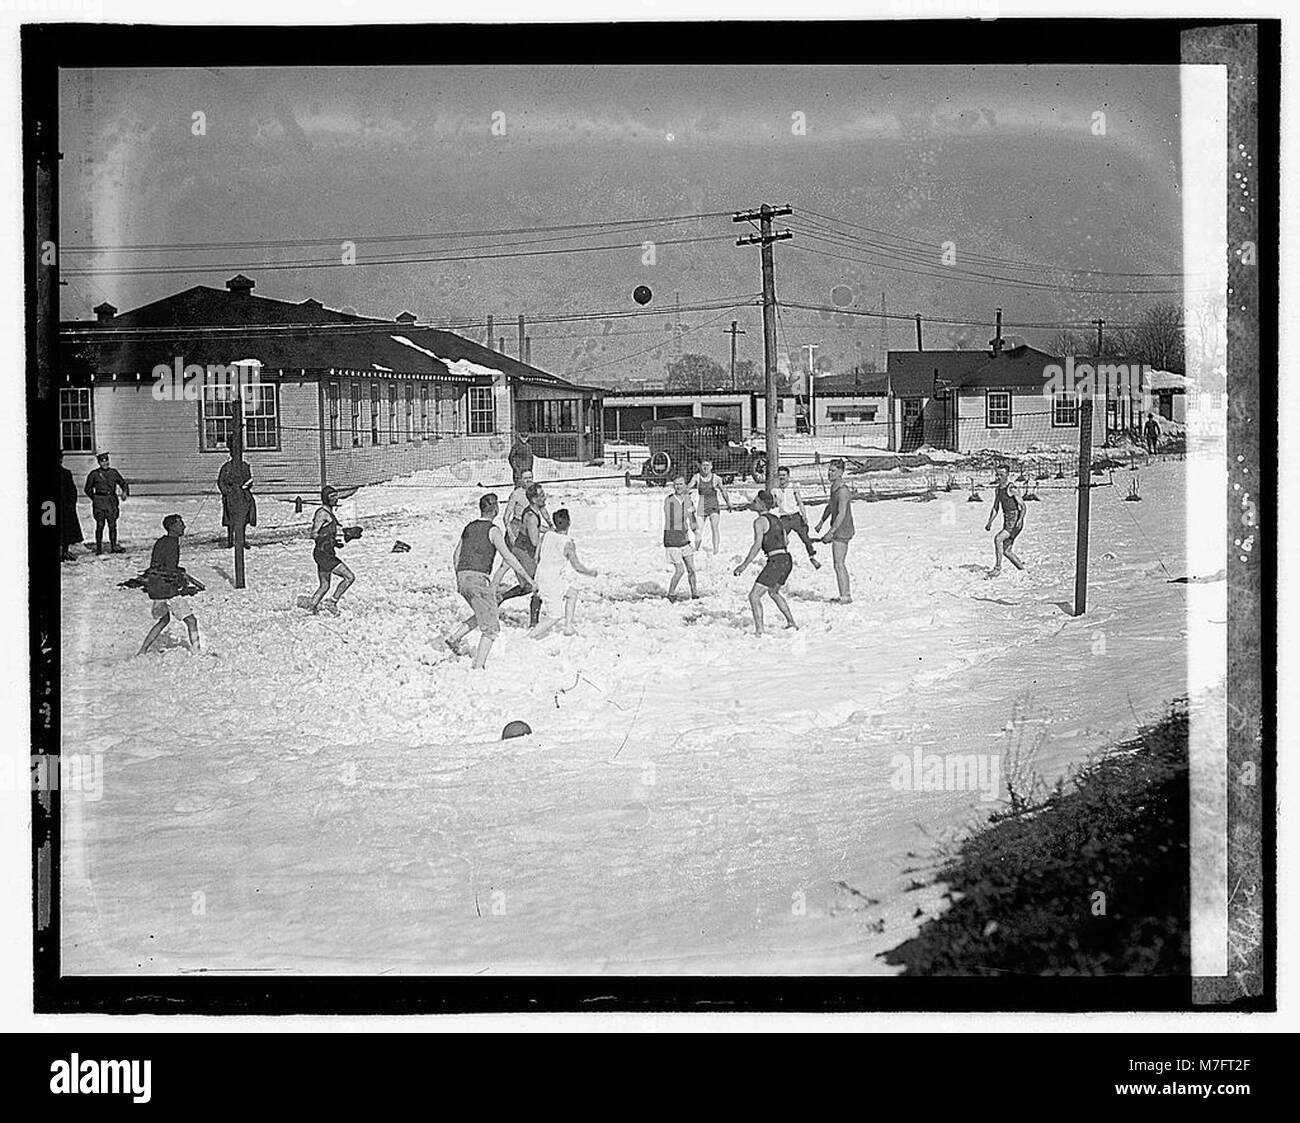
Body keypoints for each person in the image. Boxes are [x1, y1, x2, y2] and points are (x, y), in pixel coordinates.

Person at [444, 493, 534, 669]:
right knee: (491, 629)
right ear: (496, 510)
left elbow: (456, 555)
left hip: (463, 578)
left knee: (484, 612)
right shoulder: (493, 530)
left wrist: (459, 578)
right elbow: (508, 557)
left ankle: (454, 638)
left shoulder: (469, 527)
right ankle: (478, 666)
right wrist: (527, 577)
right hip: (479, 579)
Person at [137, 514, 204, 655]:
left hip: (155, 586)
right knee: (191, 621)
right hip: (167, 589)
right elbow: (170, 570)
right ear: (172, 527)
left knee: (163, 620)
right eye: (180, 524)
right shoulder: (173, 544)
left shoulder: (161, 541)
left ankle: (142, 650)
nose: (184, 526)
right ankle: (197, 651)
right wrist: (185, 586)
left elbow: (161, 566)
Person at [734, 490, 798, 636]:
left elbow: (757, 545)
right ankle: (791, 622)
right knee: (774, 592)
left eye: (755, 501)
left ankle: (759, 631)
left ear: (762, 504)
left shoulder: (759, 521)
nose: (753, 503)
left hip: (776, 561)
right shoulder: (777, 519)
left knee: (754, 596)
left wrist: (743, 565)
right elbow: (786, 540)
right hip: (787, 559)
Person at [529, 508, 598, 639]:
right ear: (569, 522)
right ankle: (530, 636)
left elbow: (536, 557)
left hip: (541, 575)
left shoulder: (547, 535)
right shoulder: (568, 543)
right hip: (551, 580)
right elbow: (577, 567)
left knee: (572, 591)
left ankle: (568, 627)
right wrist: (591, 572)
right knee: (555, 615)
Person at [497, 481, 547, 626]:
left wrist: (550, 530)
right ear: (534, 499)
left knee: (527, 587)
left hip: (522, 550)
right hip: (523, 552)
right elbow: (535, 542)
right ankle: (533, 623)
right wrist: (550, 541)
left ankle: (501, 597)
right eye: (542, 495)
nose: (545, 497)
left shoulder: (534, 512)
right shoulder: (531, 517)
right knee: (537, 585)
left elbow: (538, 528)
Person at [304, 485, 355, 613]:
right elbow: (314, 534)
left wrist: (336, 542)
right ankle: (332, 602)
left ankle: (311, 608)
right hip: (323, 553)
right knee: (349, 577)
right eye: (332, 496)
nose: (335, 499)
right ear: (325, 498)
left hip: (325, 552)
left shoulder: (330, 513)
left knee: (324, 585)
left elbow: (328, 533)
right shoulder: (322, 513)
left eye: (336, 495)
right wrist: (327, 538)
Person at [815, 458, 856, 603]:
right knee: (837, 563)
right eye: (829, 470)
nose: (829, 473)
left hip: (843, 528)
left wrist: (831, 532)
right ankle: (843, 594)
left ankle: (846, 595)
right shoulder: (834, 487)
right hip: (836, 526)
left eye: (833, 471)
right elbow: (830, 505)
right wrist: (821, 521)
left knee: (839, 563)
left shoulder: (843, 491)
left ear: (841, 472)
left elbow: (841, 513)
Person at [774, 465, 821, 569]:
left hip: (795, 516)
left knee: (805, 538)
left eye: (784, 475)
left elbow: (800, 502)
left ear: (788, 476)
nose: (782, 477)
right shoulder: (776, 490)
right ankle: (782, 559)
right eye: (780, 475)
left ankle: (812, 557)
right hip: (784, 518)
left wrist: (804, 515)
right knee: (781, 540)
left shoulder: (793, 486)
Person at [84, 451, 129, 554]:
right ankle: (99, 548)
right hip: (99, 503)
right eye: (102, 461)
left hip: (111, 502)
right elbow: (87, 489)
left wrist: (124, 492)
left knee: (112, 525)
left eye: (106, 461)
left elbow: (123, 483)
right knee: (100, 525)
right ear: (99, 463)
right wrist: (95, 498)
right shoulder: (94, 474)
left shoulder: (113, 472)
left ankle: (113, 546)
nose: (105, 463)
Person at [985, 467, 1026, 577]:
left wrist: (1020, 519)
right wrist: (990, 522)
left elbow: (1023, 506)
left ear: (1007, 475)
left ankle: (997, 568)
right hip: (1007, 519)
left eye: (1001, 475)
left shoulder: (1012, 488)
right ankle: (1022, 569)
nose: (998, 477)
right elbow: (995, 507)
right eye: (997, 475)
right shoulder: (998, 489)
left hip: (1014, 520)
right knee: (1006, 550)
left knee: (998, 539)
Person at [663, 474, 699, 600]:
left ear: (685, 485)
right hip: (672, 539)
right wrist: (688, 509)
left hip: (684, 539)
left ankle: (695, 594)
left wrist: (697, 533)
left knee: (692, 569)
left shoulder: (688, 500)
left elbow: (692, 520)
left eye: (680, 484)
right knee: (680, 570)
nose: (678, 486)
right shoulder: (669, 500)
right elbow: (673, 519)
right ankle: (671, 593)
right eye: (676, 484)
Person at [687, 459, 732, 554]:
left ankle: (716, 549)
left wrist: (728, 503)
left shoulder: (716, 478)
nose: (705, 467)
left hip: (713, 505)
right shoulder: (697, 477)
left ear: (711, 467)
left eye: (707, 465)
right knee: (698, 529)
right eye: (703, 465)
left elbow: (723, 491)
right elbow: (688, 487)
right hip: (702, 504)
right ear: (700, 467)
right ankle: (697, 548)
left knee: (714, 527)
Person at [217, 440, 255, 549]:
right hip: (231, 496)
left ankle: (241, 540)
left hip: (243, 495)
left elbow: (249, 480)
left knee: (243, 519)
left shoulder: (244, 466)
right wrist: (227, 491)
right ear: (231, 454)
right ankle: (230, 540)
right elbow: (221, 482)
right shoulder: (227, 467)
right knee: (231, 520)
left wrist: (246, 486)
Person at [59, 451, 84, 561]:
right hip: (50, 508)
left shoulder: (66, 473)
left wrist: (71, 504)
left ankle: (65, 552)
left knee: (67, 530)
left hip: (65, 507)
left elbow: (72, 490)